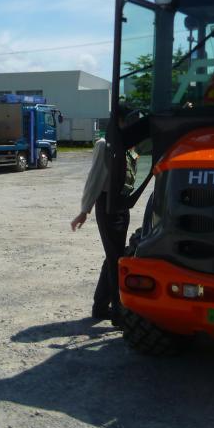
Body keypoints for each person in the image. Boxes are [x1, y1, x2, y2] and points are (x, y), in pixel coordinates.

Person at [70, 103, 137, 325]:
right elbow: (95, 178)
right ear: (120, 120)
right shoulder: (105, 144)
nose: (133, 123)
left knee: (114, 256)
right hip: (107, 206)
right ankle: (117, 311)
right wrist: (84, 210)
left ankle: (100, 306)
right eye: (130, 119)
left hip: (121, 206)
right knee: (116, 258)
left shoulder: (126, 144)